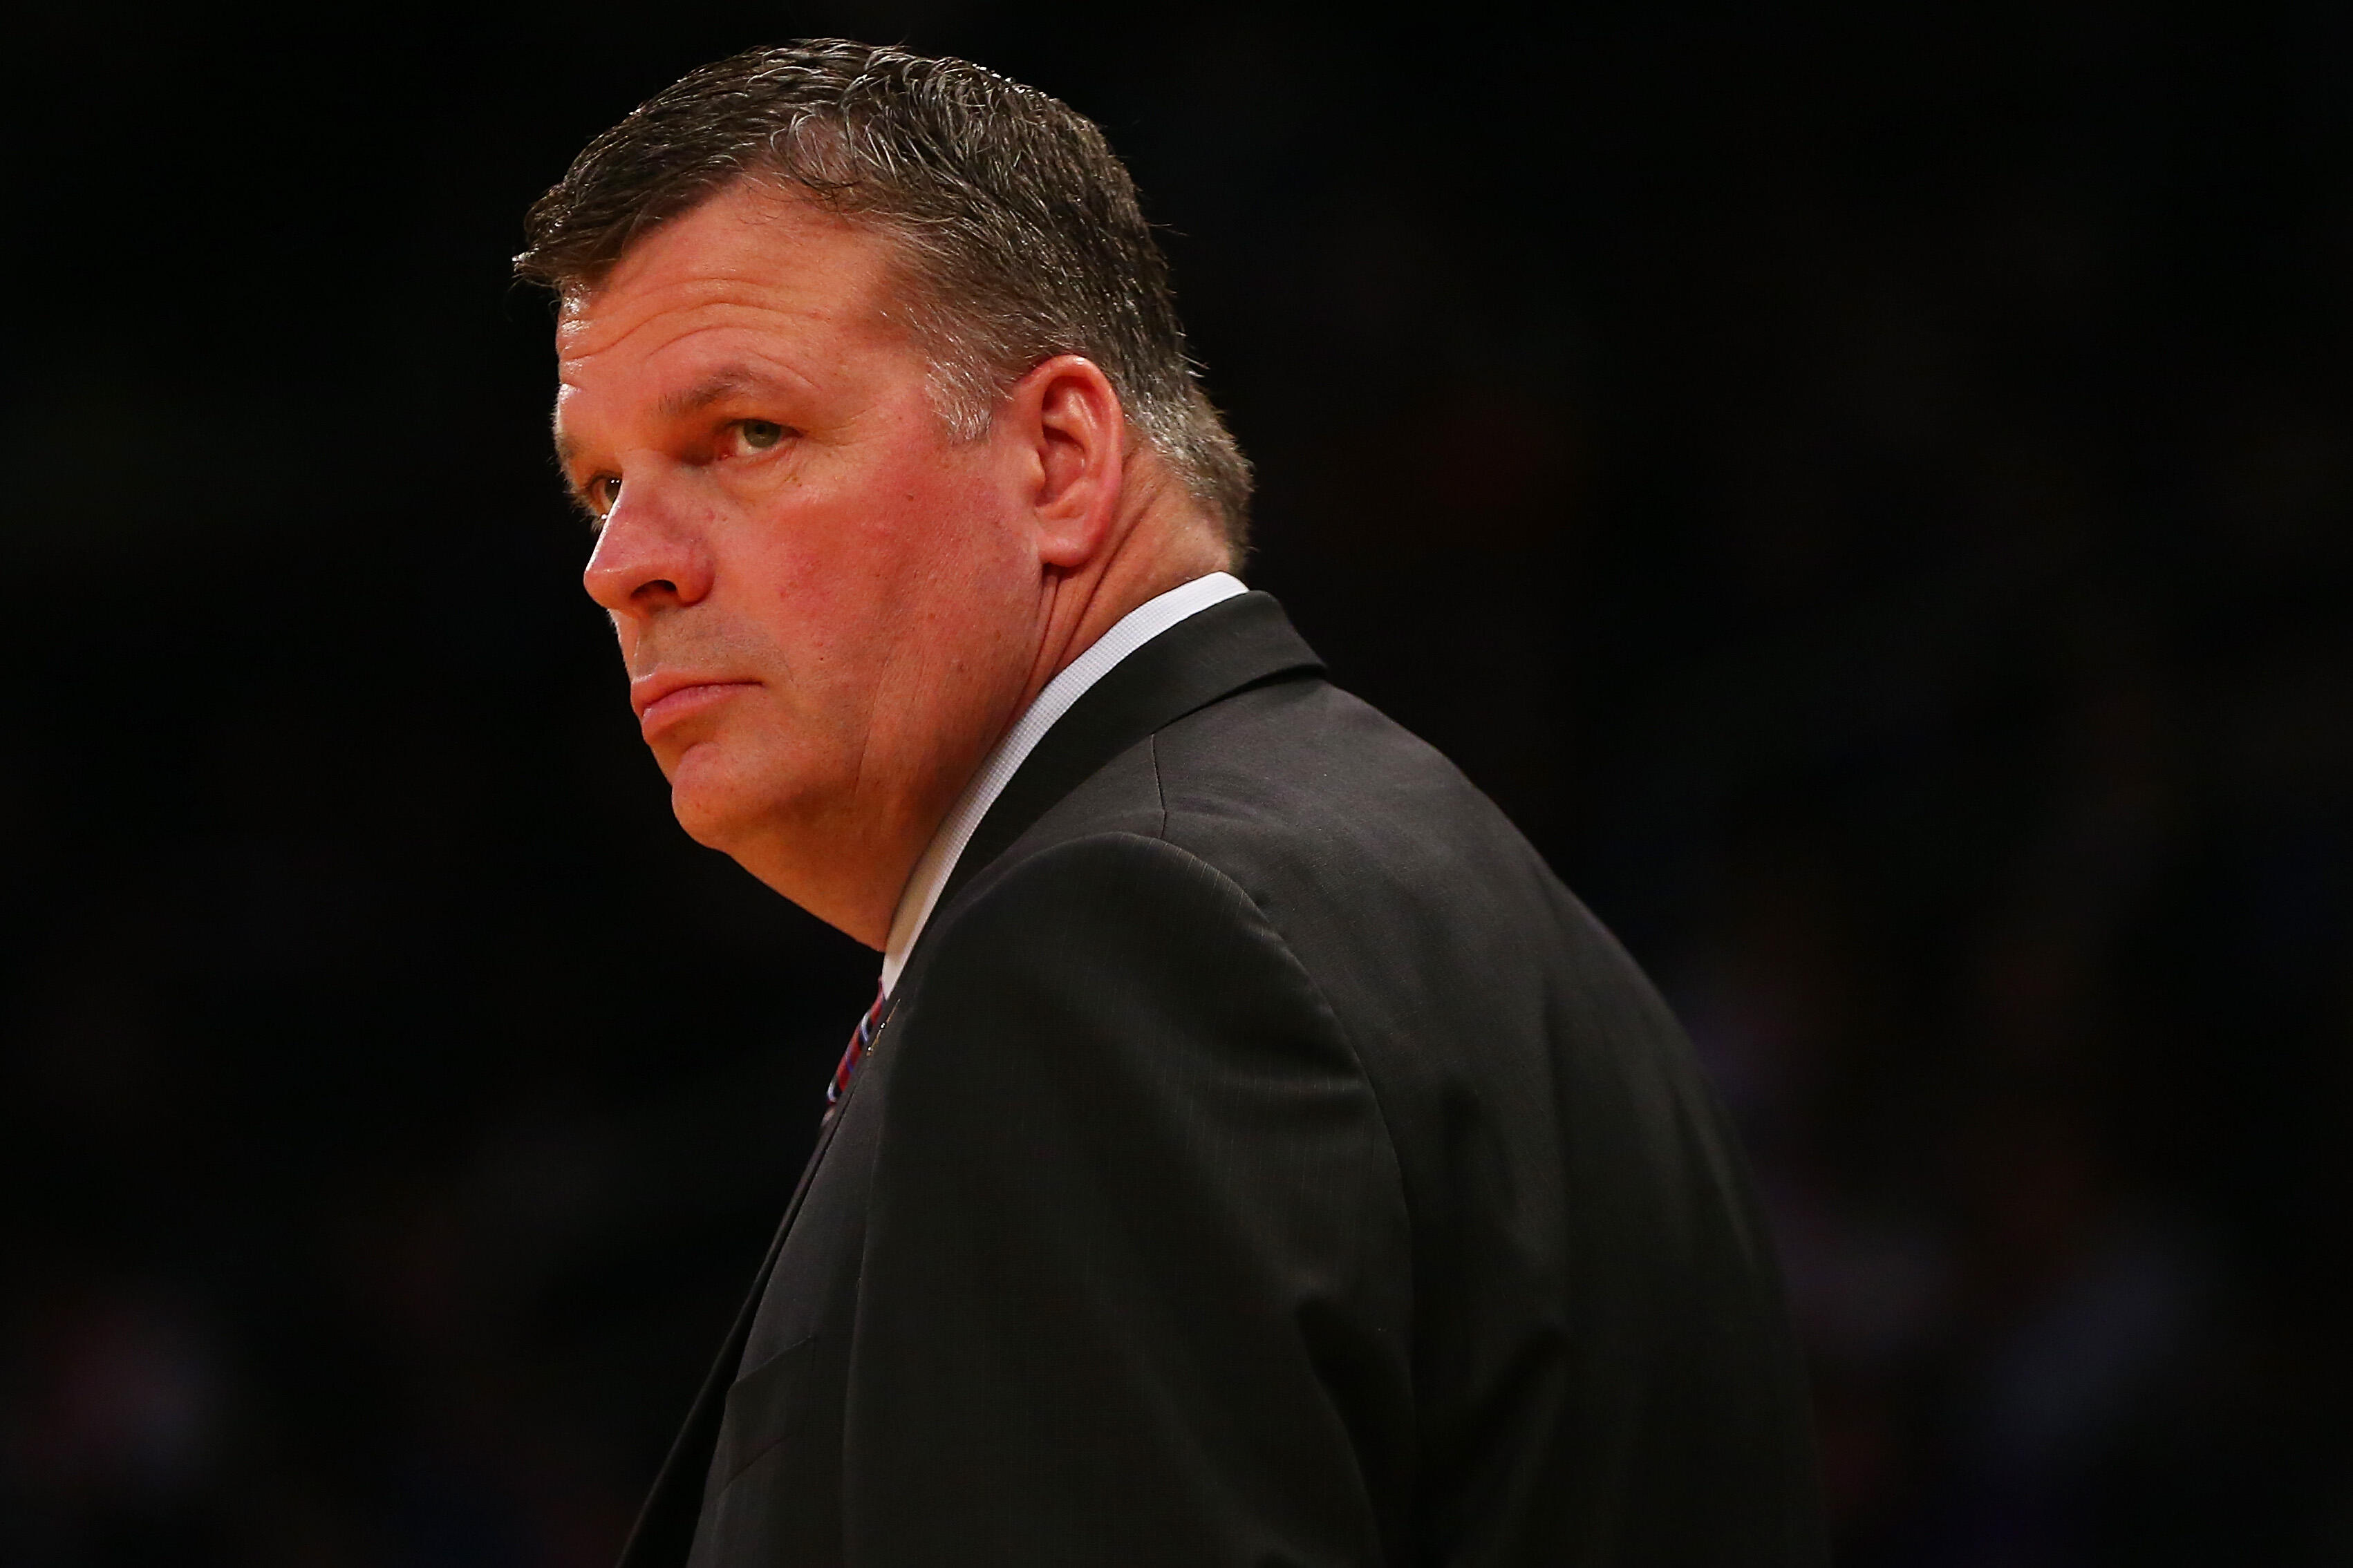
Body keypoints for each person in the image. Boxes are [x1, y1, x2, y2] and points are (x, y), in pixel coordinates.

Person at [519, 39, 1823, 1567]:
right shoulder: (1394, 877)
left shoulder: (1117, 939)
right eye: (602, 487)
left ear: (1060, 457)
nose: (624, 565)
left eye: (744, 436)